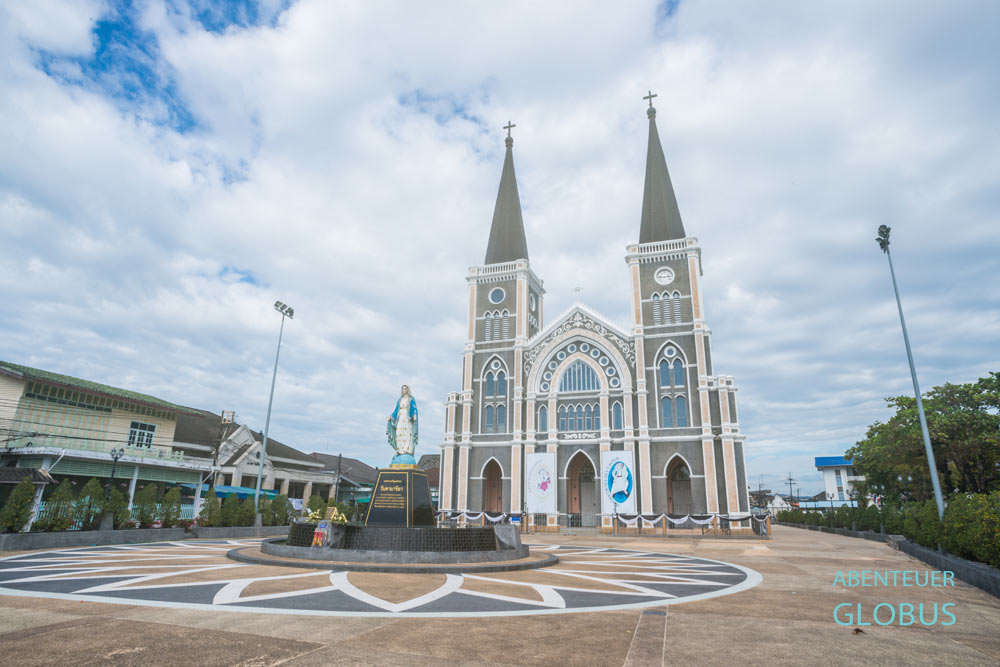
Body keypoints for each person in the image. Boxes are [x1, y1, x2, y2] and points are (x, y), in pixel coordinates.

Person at [387, 384, 418, 456]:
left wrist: (414, 415)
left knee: (407, 432)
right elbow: (396, 410)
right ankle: (399, 449)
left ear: (408, 390)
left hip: (407, 418)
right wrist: (391, 416)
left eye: (405, 389)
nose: (404, 390)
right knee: (398, 432)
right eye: (403, 389)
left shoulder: (411, 399)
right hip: (400, 417)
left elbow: (414, 408)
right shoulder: (400, 399)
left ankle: (406, 449)